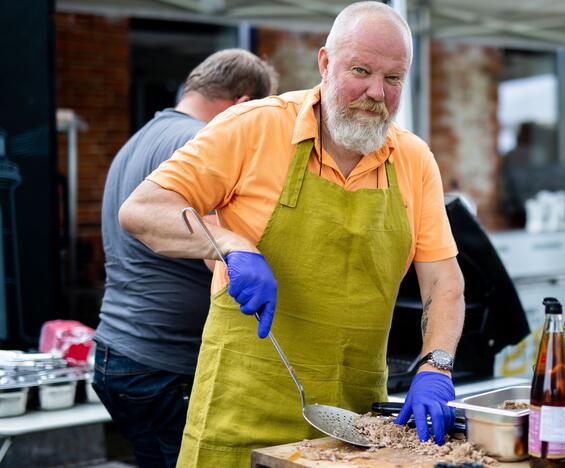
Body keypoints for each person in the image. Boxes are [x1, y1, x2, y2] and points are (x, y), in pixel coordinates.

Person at [117, 3, 465, 466]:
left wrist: (435, 365)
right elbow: (142, 210)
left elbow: (443, 283)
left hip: (352, 426)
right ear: (325, 63)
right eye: (360, 71)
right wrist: (230, 244)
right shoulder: (254, 127)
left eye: (393, 78)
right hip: (241, 415)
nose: (376, 93)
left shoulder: (415, 160)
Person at [94, 49, 278, 467]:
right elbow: (218, 261)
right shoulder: (199, 146)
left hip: (116, 351)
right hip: (164, 363)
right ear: (243, 108)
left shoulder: (137, 140)